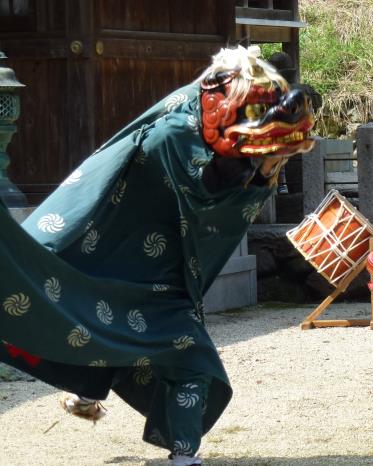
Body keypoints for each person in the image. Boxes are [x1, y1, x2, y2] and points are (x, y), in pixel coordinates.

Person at [0, 46, 314, 466]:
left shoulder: (231, 133)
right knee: (78, 305)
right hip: (111, 252)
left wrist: (264, 162)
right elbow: (212, 183)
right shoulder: (173, 134)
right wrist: (250, 167)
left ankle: (181, 453)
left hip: (164, 275)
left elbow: (231, 190)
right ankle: (91, 389)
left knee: (191, 356)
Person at [267, 51, 323, 195]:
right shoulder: (307, 89)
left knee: (282, 176)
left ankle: (282, 190)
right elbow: (318, 102)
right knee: (303, 183)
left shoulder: (274, 92)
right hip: (304, 138)